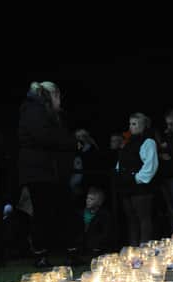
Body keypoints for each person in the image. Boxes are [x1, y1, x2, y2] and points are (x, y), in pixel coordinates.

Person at [17, 81, 81, 267]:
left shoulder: (43, 112)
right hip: (41, 172)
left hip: (50, 171)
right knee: (45, 213)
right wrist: (71, 143)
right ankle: (42, 253)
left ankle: (64, 251)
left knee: (58, 211)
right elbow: (44, 137)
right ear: (53, 95)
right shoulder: (35, 111)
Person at [115, 112, 158, 247]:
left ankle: (144, 248)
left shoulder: (148, 141)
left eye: (134, 124)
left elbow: (151, 165)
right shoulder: (130, 142)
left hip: (140, 187)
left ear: (143, 125)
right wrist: (119, 173)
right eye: (130, 124)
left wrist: (137, 179)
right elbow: (122, 160)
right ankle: (133, 247)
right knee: (131, 219)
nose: (131, 127)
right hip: (127, 185)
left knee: (143, 218)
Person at [77, 186, 113, 256]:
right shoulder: (81, 213)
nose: (88, 200)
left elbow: (106, 232)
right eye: (87, 198)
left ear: (99, 202)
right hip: (83, 243)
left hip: (96, 244)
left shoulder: (103, 215)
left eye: (91, 199)